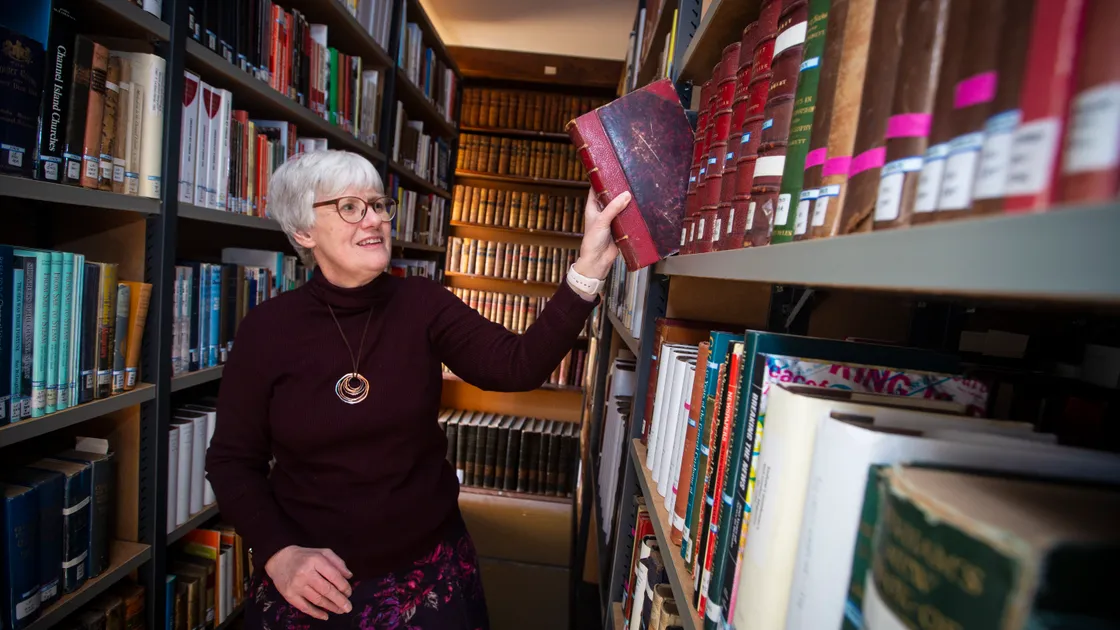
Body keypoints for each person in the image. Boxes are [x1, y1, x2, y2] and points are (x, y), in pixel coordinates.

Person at [204, 149, 630, 629]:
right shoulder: (267, 329)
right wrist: (279, 552)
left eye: (379, 205)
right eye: (349, 207)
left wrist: (589, 267)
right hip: (310, 583)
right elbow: (231, 461)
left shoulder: (423, 304)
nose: (373, 220)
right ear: (303, 232)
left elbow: (517, 366)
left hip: (428, 575)